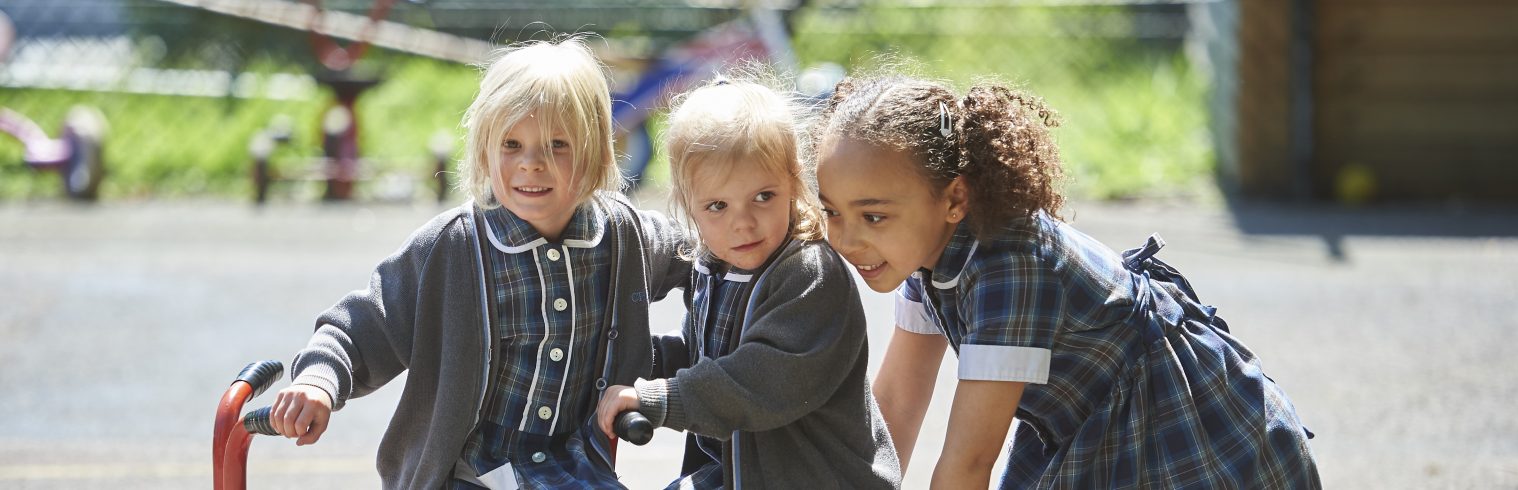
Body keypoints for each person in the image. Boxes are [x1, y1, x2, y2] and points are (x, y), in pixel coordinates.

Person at [811, 75, 1320, 488]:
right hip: (1096, 428)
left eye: (873, 217)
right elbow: (899, 400)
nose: (845, 240)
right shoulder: (927, 250)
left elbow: (968, 464)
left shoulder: (1007, 269)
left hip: (1198, 442)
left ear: (954, 200)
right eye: (832, 211)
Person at [266, 37, 692, 489]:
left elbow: (703, 256)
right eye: (512, 144)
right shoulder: (455, 248)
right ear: (484, 149)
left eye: (556, 146)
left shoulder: (621, 235)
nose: (531, 165)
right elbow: (362, 325)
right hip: (467, 466)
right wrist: (319, 381)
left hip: (570, 459)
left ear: (595, 151)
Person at [594, 77, 901, 489]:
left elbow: (757, 380)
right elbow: (701, 356)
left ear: (793, 183)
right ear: (689, 206)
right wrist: (619, 359)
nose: (742, 222)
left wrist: (660, 399)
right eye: (717, 206)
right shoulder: (716, 266)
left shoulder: (809, 275)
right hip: (737, 473)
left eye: (763, 197)